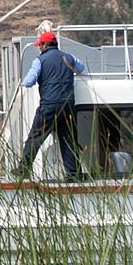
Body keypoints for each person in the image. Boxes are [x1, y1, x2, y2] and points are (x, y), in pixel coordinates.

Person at [14, 30, 86, 180]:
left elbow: (29, 81)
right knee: (68, 139)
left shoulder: (39, 60)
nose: (39, 47)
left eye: (40, 45)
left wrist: (21, 83)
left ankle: (24, 169)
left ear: (45, 45)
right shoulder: (69, 57)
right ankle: (73, 174)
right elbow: (81, 68)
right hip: (68, 105)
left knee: (36, 137)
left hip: (49, 105)